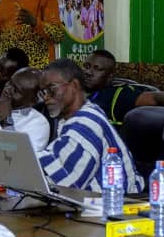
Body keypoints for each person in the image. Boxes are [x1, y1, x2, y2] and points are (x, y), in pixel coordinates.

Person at [38, 59, 142, 193]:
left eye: (51, 89)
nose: (46, 97)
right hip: (93, 198)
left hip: (118, 201)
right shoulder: (77, 114)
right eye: (43, 92)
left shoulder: (87, 122)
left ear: (74, 85)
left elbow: (67, 184)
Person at [83, 50, 141, 126]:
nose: (88, 72)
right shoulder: (74, 89)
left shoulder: (118, 93)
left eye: (97, 69)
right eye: (86, 66)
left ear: (110, 76)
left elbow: (153, 98)